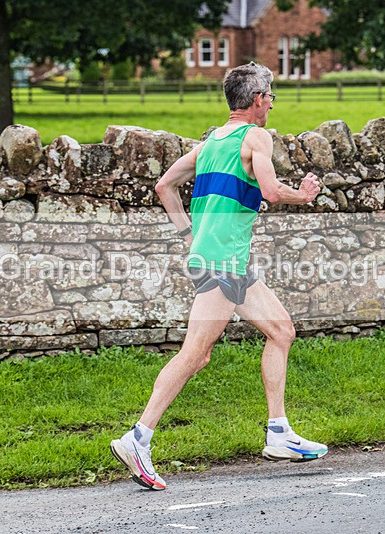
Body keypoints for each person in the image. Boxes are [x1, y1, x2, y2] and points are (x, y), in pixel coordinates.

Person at [110, 62, 327, 491]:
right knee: (196, 355)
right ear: (257, 99)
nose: (272, 105)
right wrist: (301, 195)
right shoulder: (255, 136)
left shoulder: (211, 142)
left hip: (223, 260)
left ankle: (279, 432)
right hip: (223, 263)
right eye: (271, 97)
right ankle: (138, 437)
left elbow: (164, 186)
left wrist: (189, 234)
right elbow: (268, 190)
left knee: (282, 330)